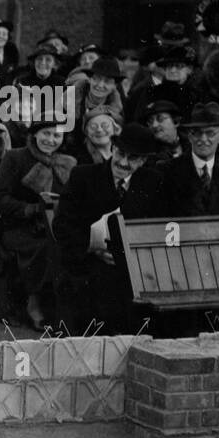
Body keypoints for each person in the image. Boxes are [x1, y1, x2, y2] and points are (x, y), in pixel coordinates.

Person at [53, 123, 161, 334]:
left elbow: (157, 226)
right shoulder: (83, 176)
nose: (122, 162)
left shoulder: (152, 182)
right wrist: (92, 248)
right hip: (89, 264)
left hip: (134, 268)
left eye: (132, 158)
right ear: (112, 148)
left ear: (143, 161)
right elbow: (62, 225)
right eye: (120, 153)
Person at [0, 117, 76, 329]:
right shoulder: (15, 158)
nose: (51, 140)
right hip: (21, 226)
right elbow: (1, 198)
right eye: (46, 134)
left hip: (55, 225)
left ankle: (64, 309)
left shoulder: (67, 163)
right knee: (45, 248)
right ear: (35, 134)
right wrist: (32, 209)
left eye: (56, 135)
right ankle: (34, 301)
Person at [144, 102, 219, 217]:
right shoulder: (166, 171)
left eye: (210, 133)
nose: (203, 139)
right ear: (190, 136)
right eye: (197, 133)